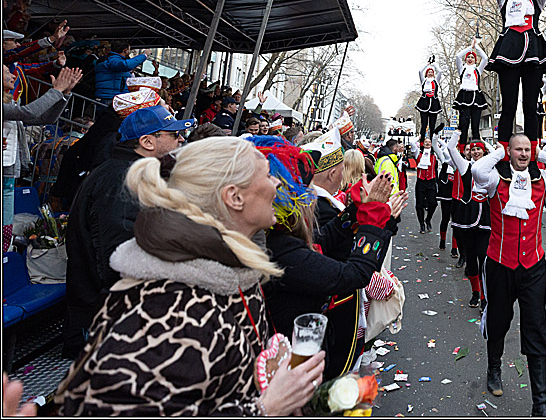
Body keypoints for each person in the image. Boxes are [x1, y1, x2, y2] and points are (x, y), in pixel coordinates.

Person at [55, 137, 325, 415]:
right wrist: (265, 409)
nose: (277, 184)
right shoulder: (165, 314)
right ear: (234, 197)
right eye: (268, 174)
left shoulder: (233, 273)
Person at [259, 136, 404, 379]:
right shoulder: (277, 247)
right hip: (297, 369)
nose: (307, 194)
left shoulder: (280, 236)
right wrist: (373, 217)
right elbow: (351, 274)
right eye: (300, 187)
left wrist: (358, 211)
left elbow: (322, 239)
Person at [64, 105, 194, 355]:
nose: (181, 140)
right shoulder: (121, 181)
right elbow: (118, 258)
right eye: (173, 135)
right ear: (147, 141)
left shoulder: (132, 174)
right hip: (112, 314)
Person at [472, 134, 546, 415]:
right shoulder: (495, 180)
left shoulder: (542, 179)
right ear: (508, 152)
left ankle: (541, 404)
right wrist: (499, 153)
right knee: (499, 321)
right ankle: (494, 368)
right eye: (517, 150)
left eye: (526, 149)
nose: (523, 154)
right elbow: (477, 170)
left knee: (535, 327)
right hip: (500, 264)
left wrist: (541, 154)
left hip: (533, 265)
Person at [485, 0, 546, 161]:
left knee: (530, 106)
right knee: (509, 105)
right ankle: (504, 155)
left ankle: (532, 155)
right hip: (508, 50)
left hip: (533, 52)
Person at [3, 66, 80, 251]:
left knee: (5, 228)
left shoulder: (11, 104)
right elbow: (28, 113)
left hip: (8, 172)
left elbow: (45, 118)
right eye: (5, 71)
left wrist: (64, 95)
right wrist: (55, 91)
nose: (13, 75)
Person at [447, 135, 494, 308]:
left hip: (486, 217)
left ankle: (484, 296)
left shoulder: (492, 167)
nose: (475, 152)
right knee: (471, 258)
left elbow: (500, 153)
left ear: (484, 151)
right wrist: (459, 131)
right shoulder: (465, 166)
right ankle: (475, 292)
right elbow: (451, 148)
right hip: (467, 216)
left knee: (484, 257)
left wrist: (483, 140)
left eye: (478, 149)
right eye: (473, 149)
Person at [453, 38, 489, 145]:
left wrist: (476, 47)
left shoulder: (477, 70)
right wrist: (470, 47)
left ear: (475, 60)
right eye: (468, 57)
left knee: (475, 125)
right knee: (463, 124)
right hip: (464, 97)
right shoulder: (462, 69)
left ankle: (477, 147)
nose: (470, 58)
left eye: (472, 57)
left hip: (476, 98)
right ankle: (462, 149)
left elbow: (485, 58)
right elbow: (457, 56)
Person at [411, 131, 445, 234]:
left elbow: (444, 146)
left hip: (431, 181)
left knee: (433, 203)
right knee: (419, 205)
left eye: (429, 142)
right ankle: (421, 224)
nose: (427, 143)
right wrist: (419, 137)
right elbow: (412, 143)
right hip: (421, 182)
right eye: (425, 142)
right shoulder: (418, 153)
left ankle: (428, 219)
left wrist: (436, 139)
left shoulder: (435, 154)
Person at [415, 58, 442, 143]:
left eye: (432, 72)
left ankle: (432, 143)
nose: (430, 74)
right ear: (426, 74)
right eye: (429, 72)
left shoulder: (436, 81)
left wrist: (434, 64)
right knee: (424, 125)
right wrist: (427, 64)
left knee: (432, 125)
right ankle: (422, 142)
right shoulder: (424, 80)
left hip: (434, 104)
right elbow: (420, 71)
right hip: (424, 104)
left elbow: (440, 72)